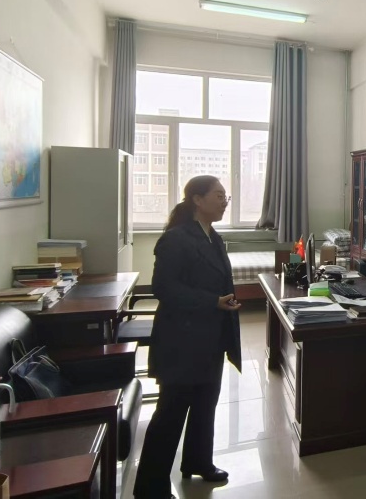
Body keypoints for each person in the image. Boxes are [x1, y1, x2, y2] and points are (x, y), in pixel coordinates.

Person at [133, 175, 242, 499]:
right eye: (219, 196)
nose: (224, 202)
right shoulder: (176, 239)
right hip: (181, 341)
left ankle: (198, 461)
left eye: (226, 197)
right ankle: (150, 487)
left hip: (211, 337)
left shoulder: (213, 237)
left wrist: (223, 303)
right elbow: (163, 288)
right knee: (171, 412)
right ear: (197, 199)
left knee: (206, 404)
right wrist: (211, 302)